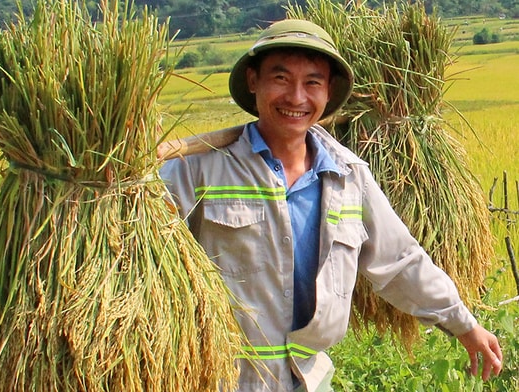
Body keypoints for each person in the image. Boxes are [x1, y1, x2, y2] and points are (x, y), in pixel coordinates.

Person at [158, 19, 502, 391]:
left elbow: (399, 260)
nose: (296, 97)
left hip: (310, 379)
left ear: (328, 91)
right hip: (227, 380)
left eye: (312, 82)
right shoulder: (197, 169)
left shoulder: (347, 175)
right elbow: (138, 255)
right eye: (281, 78)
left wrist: (464, 324)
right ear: (253, 80)